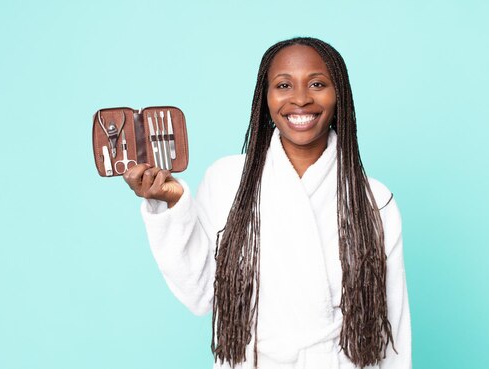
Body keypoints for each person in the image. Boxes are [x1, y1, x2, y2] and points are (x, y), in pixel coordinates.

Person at [123, 37, 411, 369]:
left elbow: (393, 328)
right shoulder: (228, 180)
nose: (301, 99)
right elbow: (200, 293)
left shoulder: (374, 200)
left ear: (339, 95)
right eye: (284, 84)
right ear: (267, 97)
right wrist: (171, 205)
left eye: (317, 83)